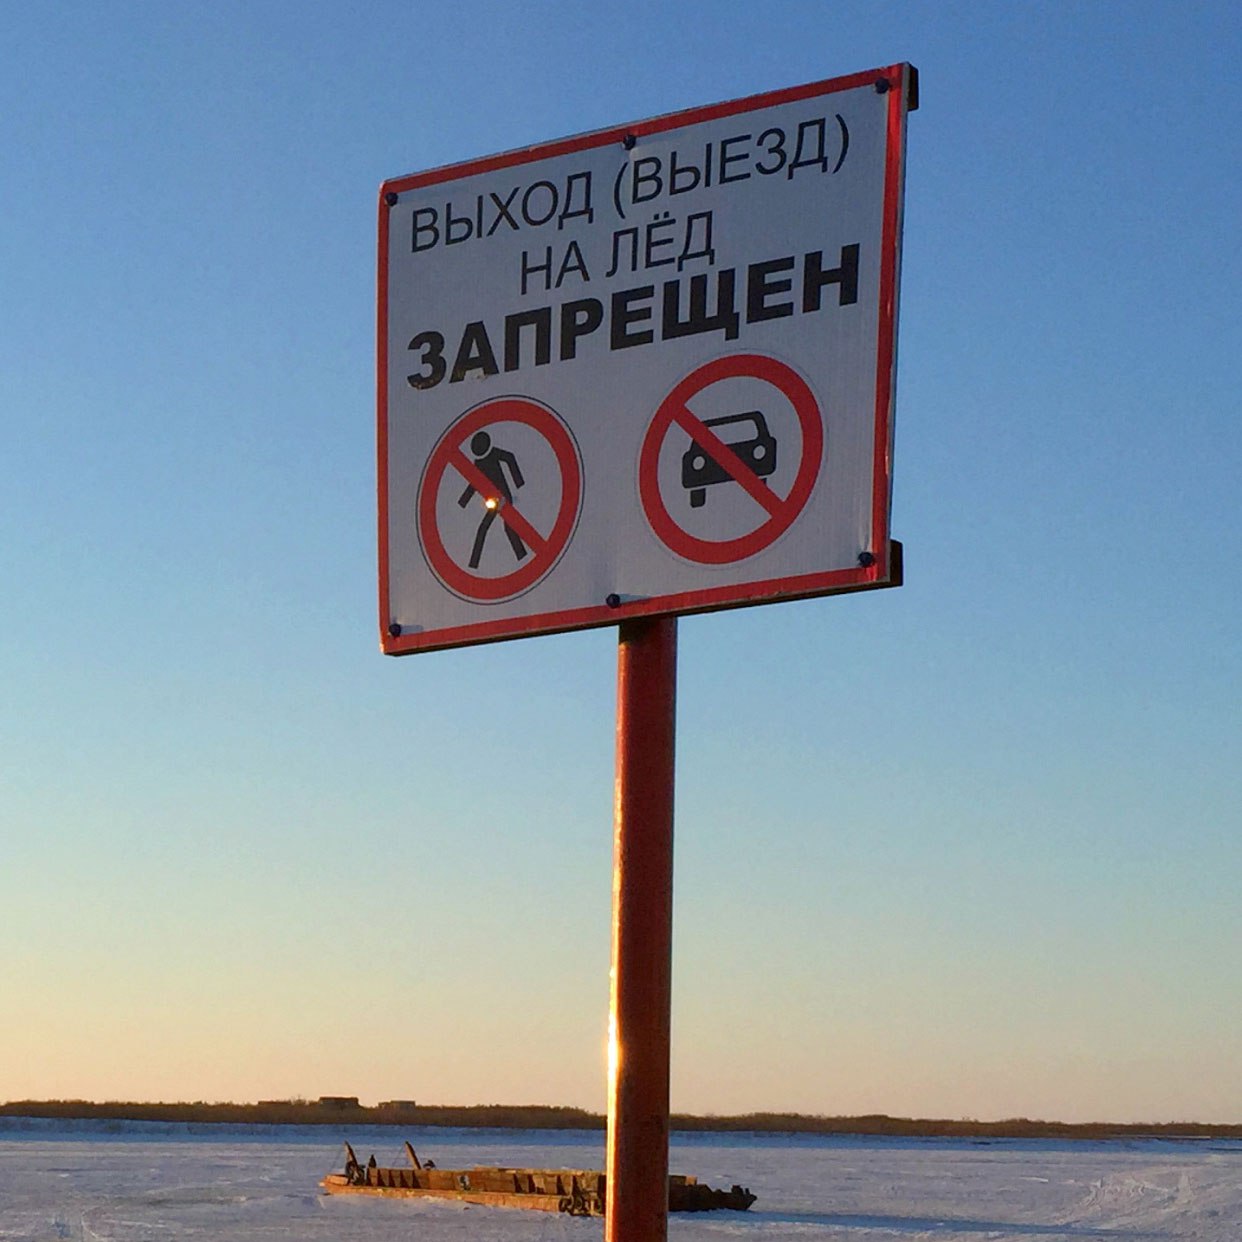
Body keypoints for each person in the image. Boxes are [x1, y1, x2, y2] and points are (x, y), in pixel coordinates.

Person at [458, 430, 527, 569]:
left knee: (507, 527)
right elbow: (474, 483)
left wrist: (518, 481)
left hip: (504, 498)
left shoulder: (494, 453)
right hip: (493, 501)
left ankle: (522, 556)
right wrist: (463, 501)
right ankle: (473, 564)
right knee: (483, 528)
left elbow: (510, 457)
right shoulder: (478, 464)